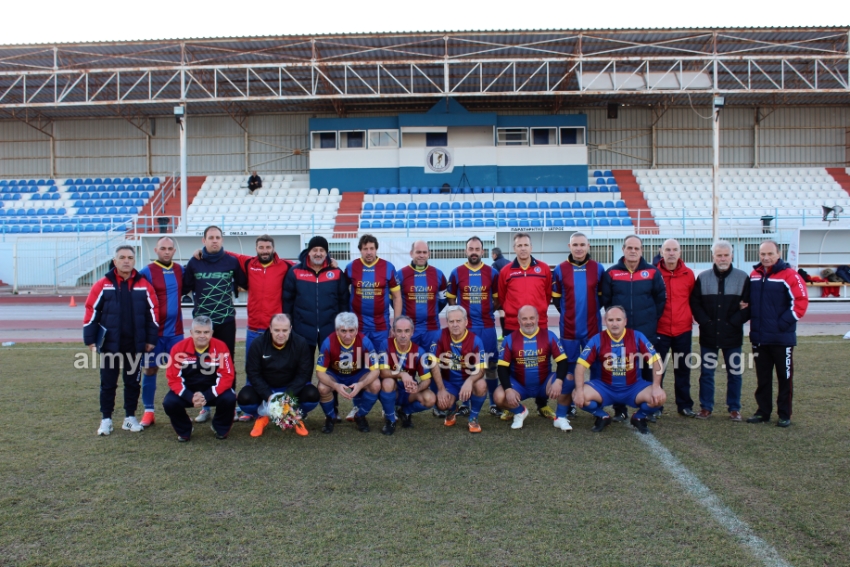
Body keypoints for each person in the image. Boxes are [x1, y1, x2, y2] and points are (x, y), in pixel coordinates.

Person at [85, 245, 159, 436]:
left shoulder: (144, 285)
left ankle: (130, 418)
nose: (126, 261)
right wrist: (90, 339)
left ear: (135, 261)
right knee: (108, 383)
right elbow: (92, 310)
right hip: (110, 344)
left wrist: (151, 339)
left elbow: (153, 313)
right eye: (122, 257)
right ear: (115, 261)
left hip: (135, 344)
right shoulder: (103, 284)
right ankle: (106, 420)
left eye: (130, 258)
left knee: (132, 383)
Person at [182, 226, 247, 423]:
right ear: (204, 240)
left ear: (222, 240)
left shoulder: (231, 261)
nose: (214, 240)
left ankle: (229, 405)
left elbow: (244, 282)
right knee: (203, 363)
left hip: (225, 320)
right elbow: (184, 287)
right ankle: (206, 406)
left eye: (218, 237)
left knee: (227, 362)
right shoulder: (194, 262)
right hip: (202, 325)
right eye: (211, 237)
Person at [600, 234, 666, 422]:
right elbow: (607, 301)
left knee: (647, 370)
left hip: (646, 330)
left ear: (641, 250)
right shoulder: (611, 273)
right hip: (620, 333)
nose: (633, 251)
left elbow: (660, 299)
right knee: (619, 370)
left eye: (636, 248)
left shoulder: (652, 272)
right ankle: (620, 410)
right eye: (629, 248)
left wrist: (650, 318)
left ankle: (650, 408)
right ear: (623, 249)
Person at [573, 306, 666, 434]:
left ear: (625, 321)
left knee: (660, 397)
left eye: (618, 320)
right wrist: (579, 390)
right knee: (577, 394)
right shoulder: (597, 339)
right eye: (611, 320)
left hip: (633, 387)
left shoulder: (637, 336)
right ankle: (602, 416)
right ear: (605, 321)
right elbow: (580, 366)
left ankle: (639, 417)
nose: (615, 324)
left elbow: (656, 362)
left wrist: (656, 386)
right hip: (605, 387)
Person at [746, 240, 809, 427]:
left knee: (784, 378)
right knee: (763, 378)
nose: (766, 257)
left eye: (770, 254)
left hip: (782, 339)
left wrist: (782, 324)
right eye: (762, 254)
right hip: (760, 338)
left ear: (778, 254)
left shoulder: (790, 275)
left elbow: (801, 302)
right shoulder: (754, 275)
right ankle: (763, 412)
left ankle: (784, 414)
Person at [690, 240, 750, 421]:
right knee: (707, 373)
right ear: (713, 257)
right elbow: (695, 303)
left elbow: (749, 306)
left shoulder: (742, 278)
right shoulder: (703, 278)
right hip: (709, 334)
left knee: (735, 373)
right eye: (719, 255)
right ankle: (706, 407)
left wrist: (733, 323)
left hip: (732, 335)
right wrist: (706, 322)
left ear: (732, 256)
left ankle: (734, 408)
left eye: (726, 255)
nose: (722, 258)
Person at [496, 231, 554, 419]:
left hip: (539, 324)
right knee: (511, 363)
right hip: (513, 324)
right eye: (519, 245)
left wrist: (538, 313)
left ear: (531, 247)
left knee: (542, 361)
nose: (523, 248)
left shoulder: (544, 269)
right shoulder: (506, 271)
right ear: (514, 248)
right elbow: (502, 297)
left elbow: (547, 295)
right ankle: (511, 404)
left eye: (526, 245)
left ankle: (542, 404)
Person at [551, 232, 604, 422]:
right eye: (575, 245)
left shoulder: (598, 268)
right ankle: (570, 405)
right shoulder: (560, 269)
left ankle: (597, 404)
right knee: (570, 368)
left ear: (588, 246)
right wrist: (569, 314)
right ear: (569, 246)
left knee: (596, 366)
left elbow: (602, 298)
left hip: (593, 329)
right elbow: (557, 301)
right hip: (569, 329)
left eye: (582, 244)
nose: (579, 248)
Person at [237, 314, 318, 437]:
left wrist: (288, 395)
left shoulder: (300, 343)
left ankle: (294, 416)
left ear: (290, 329)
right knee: (245, 398)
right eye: (276, 330)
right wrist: (268, 395)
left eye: (284, 330)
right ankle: (261, 417)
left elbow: (304, 373)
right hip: (267, 388)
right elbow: (253, 373)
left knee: (312, 395)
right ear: (270, 328)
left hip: (289, 388)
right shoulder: (258, 344)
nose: (281, 334)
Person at [492, 306, 572, 431]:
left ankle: (560, 418)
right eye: (524, 319)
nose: (528, 322)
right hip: (519, 385)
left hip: (544, 384)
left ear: (537, 318)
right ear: (519, 320)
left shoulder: (549, 336)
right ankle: (520, 412)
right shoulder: (509, 339)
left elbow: (562, 361)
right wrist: (508, 389)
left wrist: (558, 381)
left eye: (531, 318)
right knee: (498, 396)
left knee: (569, 378)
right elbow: (502, 368)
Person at [447, 236, 501, 416]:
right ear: (466, 251)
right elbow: (451, 299)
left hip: (487, 327)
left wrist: (488, 311)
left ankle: (494, 403)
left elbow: (497, 299)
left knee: (490, 365)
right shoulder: (457, 272)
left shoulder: (492, 273)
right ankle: (465, 403)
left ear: (482, 251)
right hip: (466, 329)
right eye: (471, 249)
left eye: (477, 249)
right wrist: (460, 318)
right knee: (466, 364)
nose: (474, 252)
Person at [162, 316, 236, 441]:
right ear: (191, 332)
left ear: (211, 333)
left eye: (206, 332)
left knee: (230, 398)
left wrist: (207, 395)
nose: (202, 336)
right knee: (169, 402)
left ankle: (219, 427)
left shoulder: (221, 347)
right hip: (188, 390)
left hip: (212, 391)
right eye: (198, 332)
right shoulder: (178, 348)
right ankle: (185, 429)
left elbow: (227, 376)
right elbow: (173, 378)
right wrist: (189, 396)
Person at [138, 236, 184, 428]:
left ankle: (180, 410)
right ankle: (149, 411)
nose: (166, 251)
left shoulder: (181, 270)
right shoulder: (146, 272)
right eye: (163, 248)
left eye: (169, 249)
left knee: (180, 371)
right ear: (156, 250)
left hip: (176, 333)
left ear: (174, 251)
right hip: (154, 334)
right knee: (150, 369)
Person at [315, 312, 382, 434]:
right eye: (343, 331)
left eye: (351, 330)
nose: (347, 335)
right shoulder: (328, 342)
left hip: (357, 374)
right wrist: (335, 385)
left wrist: (361, 384)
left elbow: (376, 370)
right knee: (322, 387)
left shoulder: (364, 341)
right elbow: (320, 372)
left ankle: (360, 416)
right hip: (335, 375)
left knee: (376, 384)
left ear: (356, 330)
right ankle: (331, 417)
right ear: (337, 331)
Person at [283, 235, 350, 353]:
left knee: (330, 364)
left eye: (321, 250)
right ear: (309, 252)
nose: (318, 253)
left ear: (326, 253)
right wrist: (289, 325)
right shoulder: (295, 272)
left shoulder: (336, 273)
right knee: (303, 364)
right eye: (315, 250)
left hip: (330, 330)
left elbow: (343, 302)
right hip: (302, 331)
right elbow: (287, 301)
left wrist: (343, 326)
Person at [654, 238, 697, 418]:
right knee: (658, 370)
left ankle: (684, 405)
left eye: (674, 250)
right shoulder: (654, 273)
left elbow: (693, 298)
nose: (671, 253)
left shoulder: (688, 274)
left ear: (680, 252)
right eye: (668, 250)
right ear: (661, 252)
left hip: (682, 329)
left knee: (682, 369)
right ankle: (655, 406)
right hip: (660, 329)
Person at [430, 305, 487, 433]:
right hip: (449, 382)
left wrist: (470, 381)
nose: (455, 325)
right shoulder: (439, 335)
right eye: (451, 321)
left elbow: (481, 369)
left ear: (466, 322)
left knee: (481, 385)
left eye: (458, 321)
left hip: (468, 380)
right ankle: (452, 409)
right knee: (441, 404)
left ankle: (473, 417)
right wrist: (441, 390)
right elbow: (434, 364)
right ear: (447, 322)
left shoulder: (475, 341)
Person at [377, 315, 437, 434]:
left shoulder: (419, 351)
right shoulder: (385, 344)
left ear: (412, 332)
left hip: (408, 391)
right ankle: (390, 420)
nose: (403, 335)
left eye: (407, 331)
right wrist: (402, 374)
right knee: (387, 382)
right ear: (394, 332)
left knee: (430, 398)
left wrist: (417, 388)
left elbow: (427, 380)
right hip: (392, 390)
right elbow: (383, 373)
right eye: (399, 331)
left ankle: (405, 411)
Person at [398, 240, 448, 352]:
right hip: (409, 329)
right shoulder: (400, 275)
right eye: (418, 252)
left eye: (424, 252)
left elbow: (443, 300)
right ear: (411, 253)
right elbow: (395, 301)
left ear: (429, 254)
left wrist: (432, 312)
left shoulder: (438, 274)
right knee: (410, 360)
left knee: (432, 360)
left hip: (432, 329)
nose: (421, 255)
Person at [490, 246, 510, 338]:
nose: (491, 256)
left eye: (492, 254)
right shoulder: (509, 262)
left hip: (501, 292)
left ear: (495, 255)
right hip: (511, 292)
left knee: (502, 312)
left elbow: (494, 279)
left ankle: (504, 334)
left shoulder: (495, 265)